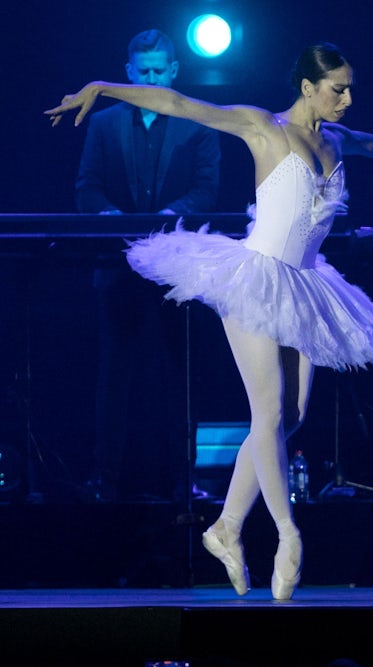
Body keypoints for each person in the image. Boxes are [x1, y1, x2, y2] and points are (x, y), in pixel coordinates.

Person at [46, 41, 373, 599]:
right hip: (254, 279)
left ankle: (226, 527)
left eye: (350, 87)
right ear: (308, 87)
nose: (348, 98)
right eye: (338, 88)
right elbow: (179, 103)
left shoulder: (335, 139)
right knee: (266, 411)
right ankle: (286, 533)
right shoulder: (263, 127)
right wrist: (99, 88)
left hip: (306, 284)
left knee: (291, 416)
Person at [76, 28, 221, 503]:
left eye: (161, 70)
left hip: (177, 270)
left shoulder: (199, 123)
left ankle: (185, 481)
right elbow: (87, 186)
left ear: (175, 71)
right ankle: (104, 479)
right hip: (118, 267)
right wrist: (108, 217)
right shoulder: (103, 123)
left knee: (181, 379)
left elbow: (205, 190)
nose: (153, 78)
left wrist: (167, 217)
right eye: (145, 71)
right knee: (112, 377)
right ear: (128, 73)